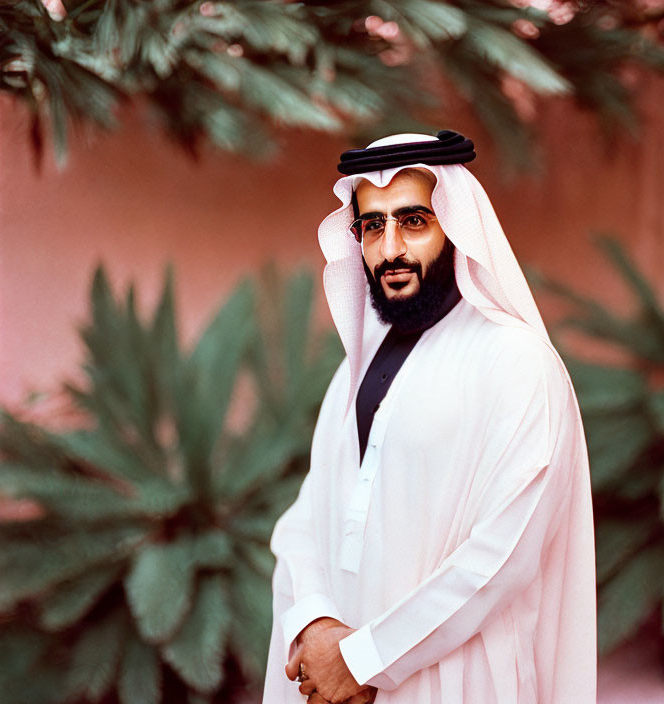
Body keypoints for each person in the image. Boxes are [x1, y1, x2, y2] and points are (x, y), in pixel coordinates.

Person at [263, 131, 596, 704]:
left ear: (455, 226)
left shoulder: (517, 364)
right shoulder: (357, 368)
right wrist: (316, 625)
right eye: (372, 226)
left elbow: (502, 557)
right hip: (332, 679)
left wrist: (366, 659)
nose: (390, 248)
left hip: (455, 683)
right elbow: (309, 513)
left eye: (413, 221)